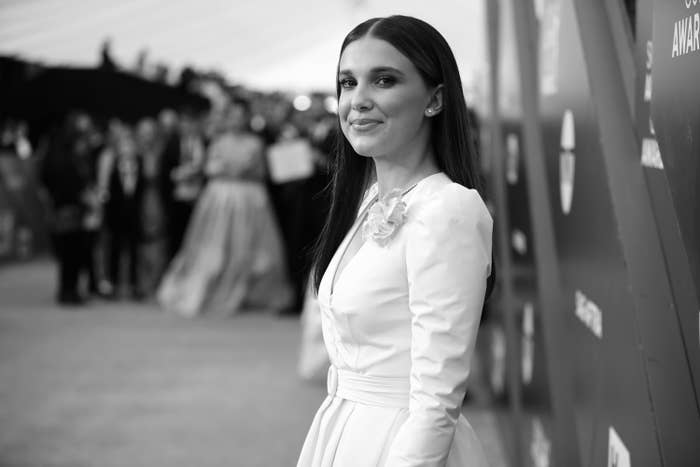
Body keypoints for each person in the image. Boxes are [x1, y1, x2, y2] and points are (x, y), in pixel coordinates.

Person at [296, 15, 495, 467]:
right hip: (342, 433)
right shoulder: (368, 201)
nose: (358, 100)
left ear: (435, 99)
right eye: (348, 83)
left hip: (402, 445)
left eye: (384, 80)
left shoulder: (448, 209)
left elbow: (438, 398)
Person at [157, 99, 293, 317]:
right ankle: (212, 285)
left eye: (241, 115)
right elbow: (208, 167)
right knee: (214, 246)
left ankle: (247, 290)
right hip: (220, 198)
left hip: (249, 199)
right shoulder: (217, 140)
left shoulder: (256, 143)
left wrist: (246, 173)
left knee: (248, 246)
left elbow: (264, 173)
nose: (237, 120)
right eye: (233, 115)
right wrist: (226, 170)